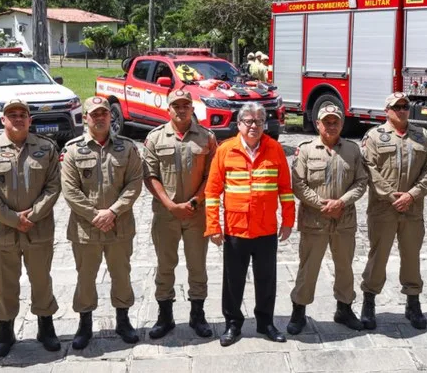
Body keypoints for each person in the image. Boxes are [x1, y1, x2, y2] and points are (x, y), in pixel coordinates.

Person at [0, 99, 61, 357]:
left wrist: (32, 215)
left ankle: (46, 326)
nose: (18, 118)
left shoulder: (46, 149)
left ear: (30, 120)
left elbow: (53, 186)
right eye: (13, 114)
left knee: (41, 279)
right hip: (2, 230)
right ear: (3, 120)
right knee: (4, 282)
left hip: (38, 228)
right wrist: (13, 219)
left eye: (23, 114)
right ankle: (5, 330)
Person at [205, 102, 295, 347]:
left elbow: (286, 191)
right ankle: (233, 324)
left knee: (266, 279)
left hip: (266, 229)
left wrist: (288, 221)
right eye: (249, 121)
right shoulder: (225, 150)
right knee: (233, 280)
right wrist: (213, 226)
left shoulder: (275, 149)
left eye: (259, 121)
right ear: (239, 124)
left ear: (264, 124)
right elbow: (212, 192)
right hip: (235, 229)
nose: (254, 125)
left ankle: (266, 323)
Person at [61, 97, 143, 350]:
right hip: (86, 229)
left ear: (110, 116)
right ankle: (84, 324)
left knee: (122, 275)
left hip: (120, 226)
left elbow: (134, 183)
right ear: (85, 117)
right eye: (93, 114)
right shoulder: (73, 149)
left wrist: (113, 212)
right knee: (85, 278)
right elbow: (70, 190)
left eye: (103, 113)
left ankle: (123, 321)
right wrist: (96, 215)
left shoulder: (127, 148)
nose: (99, 118)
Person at [286, 104, 368, 335]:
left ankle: (344, 308)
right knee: (308, 267)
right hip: (315, 219)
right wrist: (322, 204)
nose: (331, 126)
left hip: (344, 219)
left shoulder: (352, 150)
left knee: (344, 267)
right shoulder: (305, 150)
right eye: (327, 122)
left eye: (336, 122)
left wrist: (341, 202)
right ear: (318, 124)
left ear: (342, 124)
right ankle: (299, 311)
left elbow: (361, 182)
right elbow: (298, 184)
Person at [143, 90, 217, 339]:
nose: (181, 110)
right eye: (176, 106)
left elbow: (212, 175)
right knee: (165, 266)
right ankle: (165, 316)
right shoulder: (155, 138)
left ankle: (198, 315)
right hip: (166, 215)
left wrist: (196, 201)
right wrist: (170, 205)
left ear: (192, 108)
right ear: (169, 109)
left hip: (196, 214)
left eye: (186, 105)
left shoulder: (206, 138)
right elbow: (150, 175)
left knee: (198, 266)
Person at [359, 93, 427, 330]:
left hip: (412, 208)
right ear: (387, 110)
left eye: (405, 106)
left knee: (411, 256)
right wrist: (392, 195)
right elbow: (369, 170)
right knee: (378, 256)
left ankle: (413, 304)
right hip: (383, 208)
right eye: (396, 107)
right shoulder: (373, 137)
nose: (401, 110)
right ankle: (369, 302)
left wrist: (411, 195)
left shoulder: (422, 136)